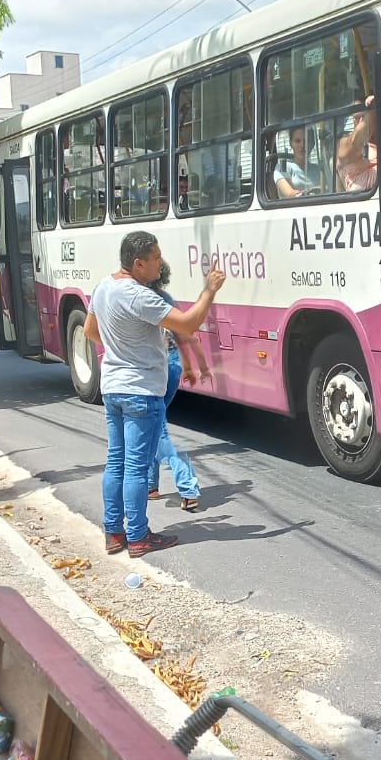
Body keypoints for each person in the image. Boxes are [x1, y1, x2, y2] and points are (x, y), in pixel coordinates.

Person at [84, 231, 224, 559]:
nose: (160, 264)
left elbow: (90, 331)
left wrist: (122, 348)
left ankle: (113, 532)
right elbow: (187, 325)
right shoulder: (138, 295)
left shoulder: (103, 286)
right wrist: (209, 290)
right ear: (138, 263)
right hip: (140, 390)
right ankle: (138, 536)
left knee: (116, 462)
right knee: (136, 467)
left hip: (113, 387)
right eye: (156, 258)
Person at [145, 264, 203, 513]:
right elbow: (183, 334)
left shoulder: (139, 298)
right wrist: (189, 366)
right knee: (153, 424)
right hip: (173, 365)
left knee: (158, 429)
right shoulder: (166, 298)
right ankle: (151, 485)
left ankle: (188, 487)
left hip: (155, 370)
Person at [335, 94, 378, 192]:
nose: (361, 121)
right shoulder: (344, 146)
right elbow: (355, 140)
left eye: (363, 117)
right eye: (357, 118)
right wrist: (372, 109)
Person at [271, 124, 321, 199]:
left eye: (306, 141)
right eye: (297, 141)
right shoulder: (283, 167)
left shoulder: (319, 169)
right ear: (291, 144)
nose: (302, 145)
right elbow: (290, 194)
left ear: (313, 144)